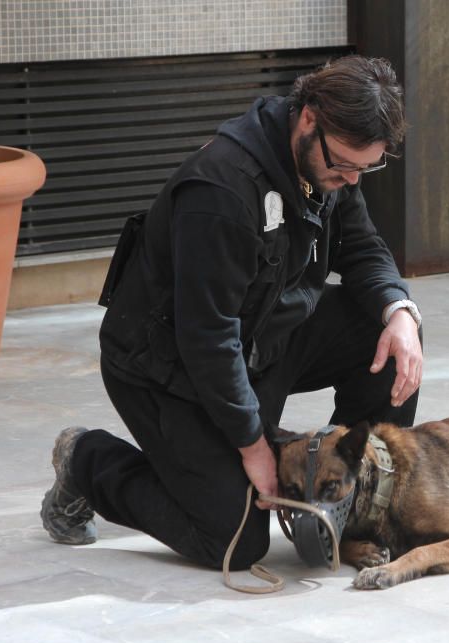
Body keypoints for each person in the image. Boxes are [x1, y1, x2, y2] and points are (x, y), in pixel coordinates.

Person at [40, 55, 423, 570]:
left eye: (364, 167)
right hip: (168, 369)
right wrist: (252, 445)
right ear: (308, 119)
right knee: (235, 539)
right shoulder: (220, 190)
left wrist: (400, 311)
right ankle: (86, 461)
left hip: (264, 339)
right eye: (344, 165)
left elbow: (362, 248)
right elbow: (208, 337)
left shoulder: (328, 167)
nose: (352, 180)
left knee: (390, 344)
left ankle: (342, 499)